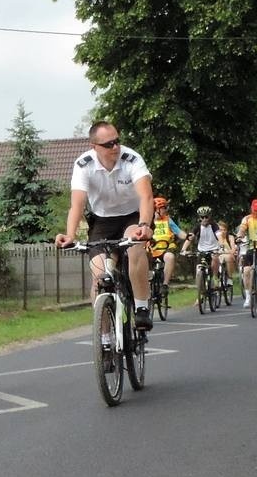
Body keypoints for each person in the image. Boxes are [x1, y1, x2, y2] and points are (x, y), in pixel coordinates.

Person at [55, 121, 155, 330]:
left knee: (136, 245)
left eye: (117, 141)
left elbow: (146, 196)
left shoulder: (132, 159)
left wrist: (144, 224)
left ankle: (141, 307)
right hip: (102, 220)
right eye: (108, 144)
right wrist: (70, 235)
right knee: (99, 276)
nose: (116, 147)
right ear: (94, 147)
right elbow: (77, 205)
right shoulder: (83, 164)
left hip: (133, 216)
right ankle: (105, 339)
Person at [181, 206, 222, 303]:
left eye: (206, 217)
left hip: (213, 249)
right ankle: (201, 294)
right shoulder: (197, 227)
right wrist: (183, 249)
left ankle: (215, 278)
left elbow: (220, 237)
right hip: (202, 251)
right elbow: (189, 238)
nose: (204, 219)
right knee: (199, 271)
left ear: (210, 217)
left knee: (215, 259)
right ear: (199, 217)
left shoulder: (214, 226)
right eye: (202, 217)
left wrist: (221, 246)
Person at [149, 197, 189, 295]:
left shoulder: (168, 220)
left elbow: (179, 232)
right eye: (163, 208)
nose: (165, 210)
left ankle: (165, 285)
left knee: (170, 257)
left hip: (165, 249)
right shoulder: (148, 221)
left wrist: (187, 236)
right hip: (151, 249)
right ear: (156, 209)